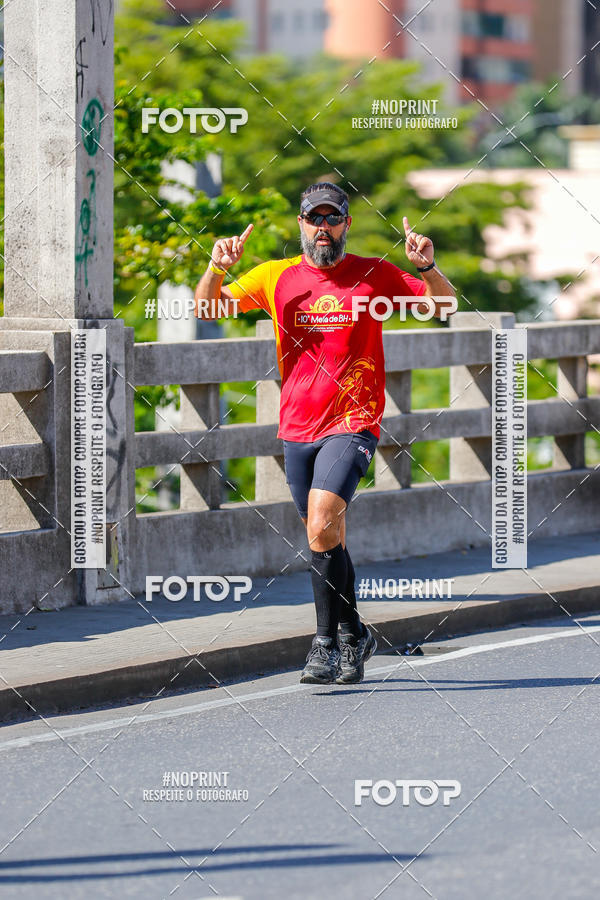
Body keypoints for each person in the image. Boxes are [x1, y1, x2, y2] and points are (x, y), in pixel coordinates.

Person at [194, 182, 456, 685]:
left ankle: (323, 645)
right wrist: (216, 269)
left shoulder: (374, 274)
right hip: (297, 426)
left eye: (332, 219)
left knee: (320, 522)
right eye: (314, 219)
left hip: (353, 421)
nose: (323, 229)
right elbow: (210, 309)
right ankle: (355, 632)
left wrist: (426, 266)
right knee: (325, 535)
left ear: (346, 225)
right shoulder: (276, 277)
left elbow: (442, 307)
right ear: (300, 224)